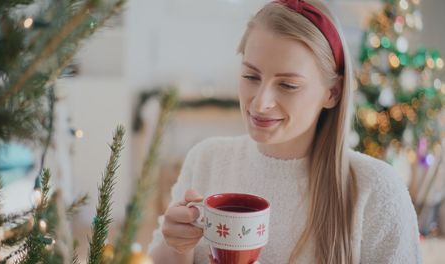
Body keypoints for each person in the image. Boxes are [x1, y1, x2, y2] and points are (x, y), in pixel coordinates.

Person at [148, 0, 422, 263]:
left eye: (288, 85)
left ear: (332, 93)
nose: (260, 102)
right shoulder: (207, 159)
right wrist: (176, 246)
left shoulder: (375, 190)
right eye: (251, 76)